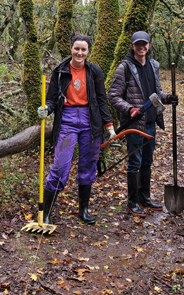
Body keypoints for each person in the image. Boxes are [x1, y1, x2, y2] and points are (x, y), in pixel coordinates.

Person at [37, 34, 116, 225]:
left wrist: (109, 126)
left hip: (91, 121)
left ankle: (84, 210)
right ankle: (46, 213)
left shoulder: (94, 71)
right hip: (67, 120)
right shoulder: (60, 70)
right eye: (77, 48)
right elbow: (51, 98)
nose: (80, 53)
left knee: (88, 165)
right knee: (61, 165)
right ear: (71, 49)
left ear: (88, 51)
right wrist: (46, 109)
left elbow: (101, 99)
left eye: (84, 49)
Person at [108, 31, 178, 217]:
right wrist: (130, 109)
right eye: (137, 44)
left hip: (151, 122)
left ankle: (144, 197)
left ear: (149, 45)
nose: (141, 47)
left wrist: (169, 98)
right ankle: (132, 202)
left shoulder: (153, 65)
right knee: (135, 162)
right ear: (132, 46)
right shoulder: (125, 68)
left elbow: (157, 93)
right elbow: (113, 95)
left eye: (144, 44)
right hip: (134, 124)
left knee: (147, 161)